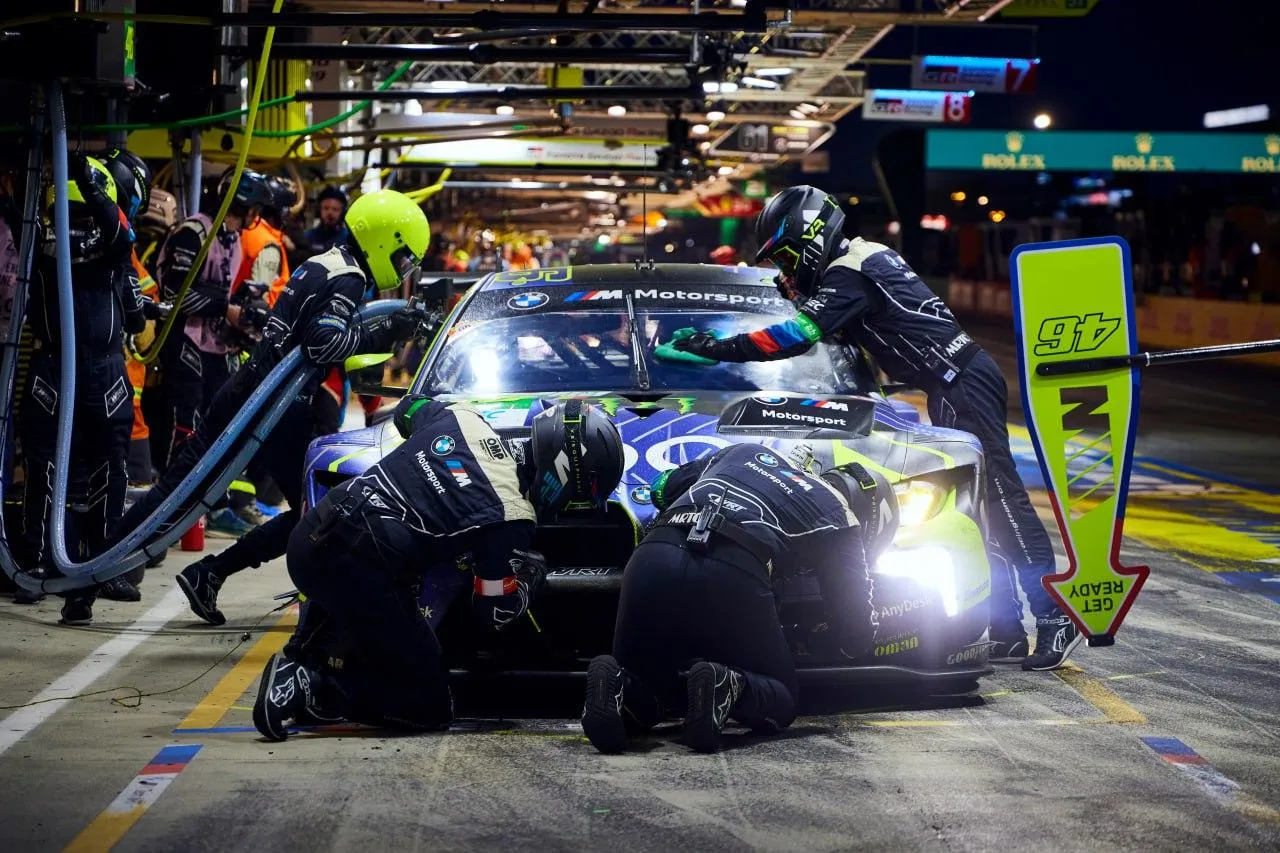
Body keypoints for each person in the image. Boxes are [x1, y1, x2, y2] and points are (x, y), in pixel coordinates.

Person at [661, 185, 1079, 672]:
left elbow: (794, 336)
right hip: (951, 383)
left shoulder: (850, 274)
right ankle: (1008, 629)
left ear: (812, 236)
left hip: (961, 380)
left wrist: (714, 347)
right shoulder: (858, 263)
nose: (788, 271)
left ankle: (1055, 618)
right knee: (985, 510)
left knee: (1004, 501)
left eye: (789, 258)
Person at [131, 188, 429, 629]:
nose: (403, 267)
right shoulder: (347, 277)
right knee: (320, 512)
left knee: (179, 492)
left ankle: (109, 567)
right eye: (404, 257)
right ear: (387, 240)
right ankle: (161, 569)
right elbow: (324, 343)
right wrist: (381, 335)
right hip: (271, 408)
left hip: (253, 393)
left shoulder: (325, 262)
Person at [252, 398, 625, 741]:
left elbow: (406, 411)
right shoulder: (513, 515)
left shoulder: (464, 417)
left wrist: (430, 475)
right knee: (429, 708)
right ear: (565, 473)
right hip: (358, 568)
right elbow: (492, 612)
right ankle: (311, 686)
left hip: (309, 538)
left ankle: (300, 657)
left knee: (359, 562)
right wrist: (528, 577)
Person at [582, 444, 884, 755]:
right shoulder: (840, 515)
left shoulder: (746, 451)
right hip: (733, 569)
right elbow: (855, 635)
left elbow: (662, 488)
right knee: (782, 698)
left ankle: (617, 681)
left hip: (653, 555)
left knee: (653, 689)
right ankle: (725, 684)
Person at [16, 150, 151, 605]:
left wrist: (85, 181)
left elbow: (120, 235)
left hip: (102, 370)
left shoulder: (113, 247)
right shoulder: (40, 242)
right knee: (45, 467)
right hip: (55, 367)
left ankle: (100, 565)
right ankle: (36, 564)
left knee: (109, 470)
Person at [303, 185, 349, 254]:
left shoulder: (349, 239)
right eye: (326, 208)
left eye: (335, 209)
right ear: (319, 210)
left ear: (343, 213)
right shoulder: (307, 237)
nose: (330, 212)